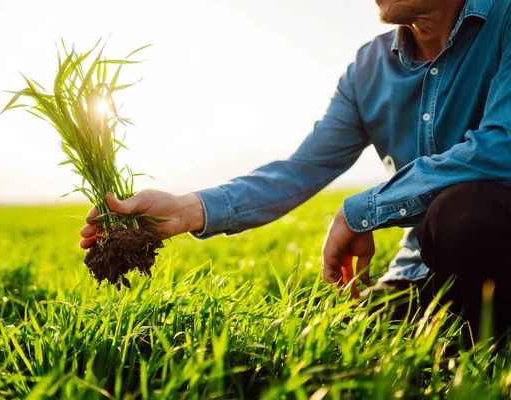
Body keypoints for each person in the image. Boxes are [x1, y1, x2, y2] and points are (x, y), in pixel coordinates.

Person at [80, 0, 511, 338]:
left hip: (492, 241)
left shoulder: (506, 18)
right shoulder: (368, 70)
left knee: (465, 211)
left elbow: (501, 147)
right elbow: (302, 169)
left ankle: (480, 351)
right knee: (353, 334)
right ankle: (436, 317)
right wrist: (189, 207)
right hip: (418, 267)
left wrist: (362, 209)